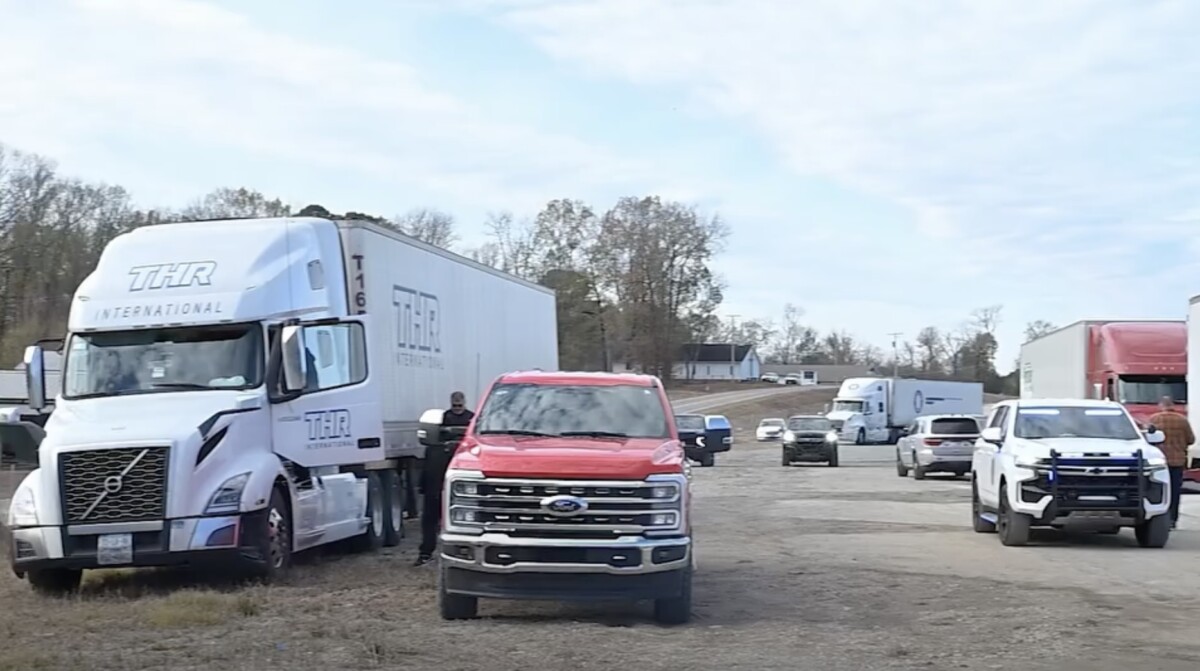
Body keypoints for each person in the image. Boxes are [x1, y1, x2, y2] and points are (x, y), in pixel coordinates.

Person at [414, 391, 475, 566]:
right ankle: (426, 552)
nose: (457, 408)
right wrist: (424, 486)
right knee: (430, 517)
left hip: (464, 480)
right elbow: (428, 462)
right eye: (455, 405)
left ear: (464, 403)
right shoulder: (440, 422)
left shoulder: (473, 421)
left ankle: (467, 555)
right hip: (436, 479)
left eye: (460, 405)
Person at [1147, 395, 1194, 529]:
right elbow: (1191, 440)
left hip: (1160, 461)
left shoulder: (1155, 419)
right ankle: (1173, 519)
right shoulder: (1183, 420)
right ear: (1172, 405)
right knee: (1175, 491)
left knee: (1161, 491)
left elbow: (1149, 439)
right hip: (1177, 461)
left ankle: (1162, 517)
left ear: (1161, 405)